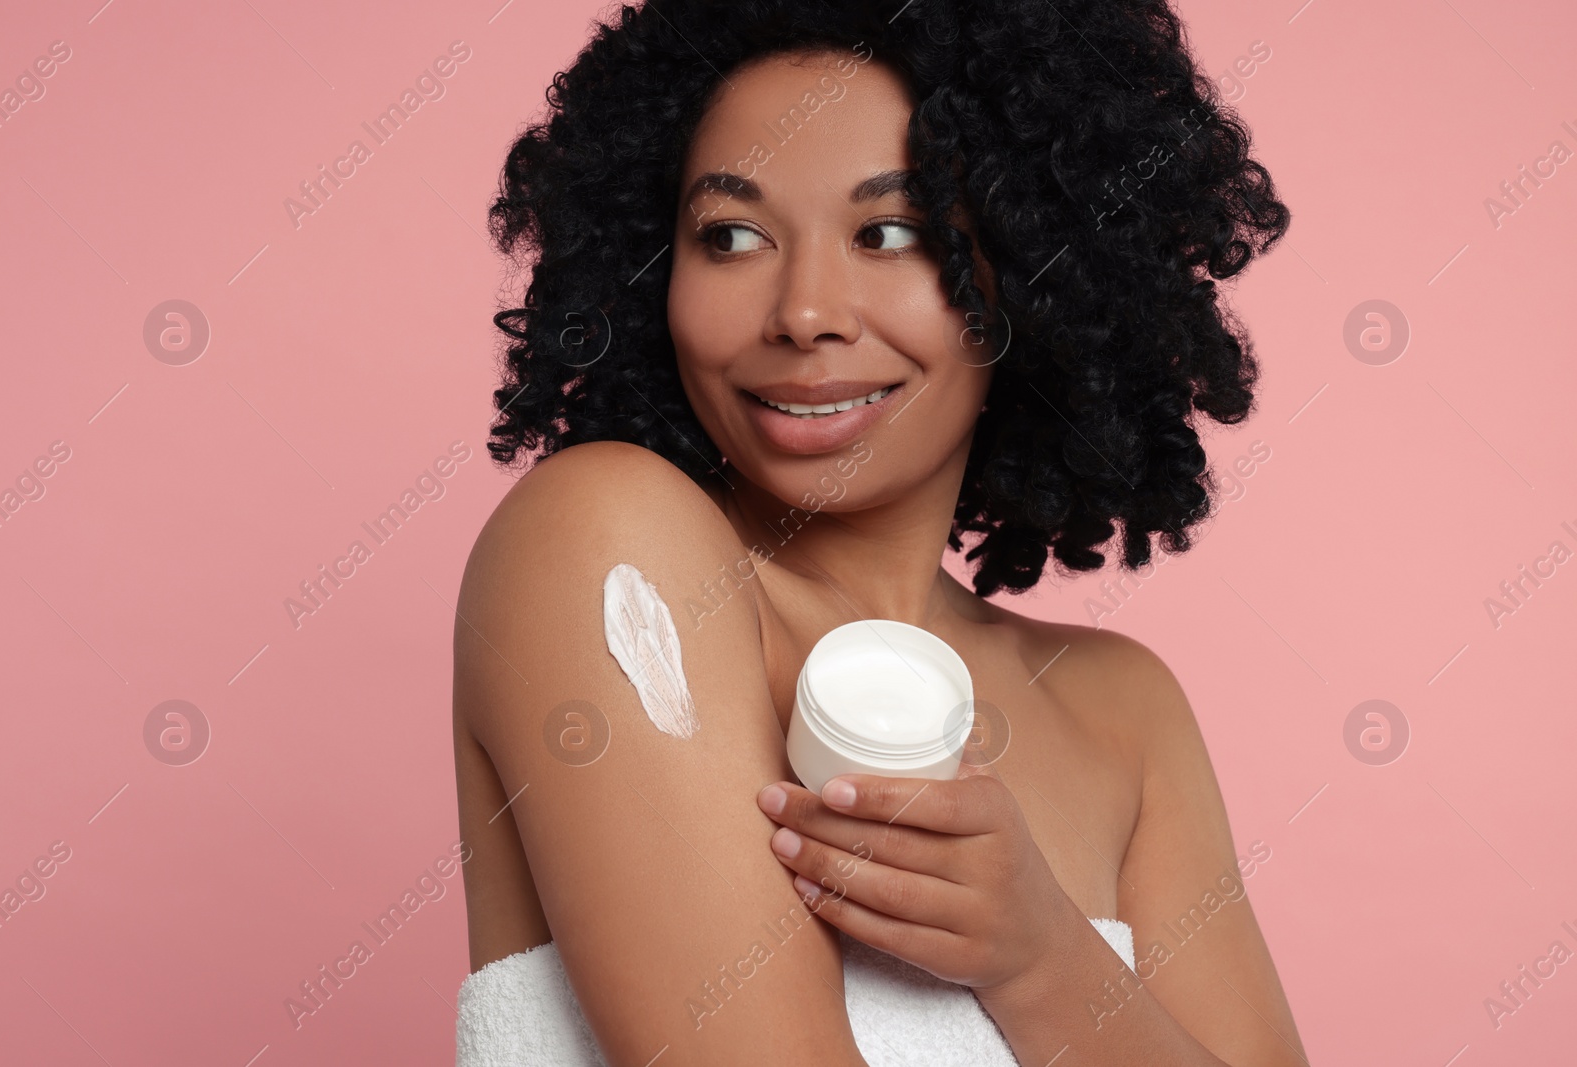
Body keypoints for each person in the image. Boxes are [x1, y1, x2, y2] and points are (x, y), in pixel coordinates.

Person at [451, 1, 1303, 1064]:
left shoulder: (1121, 714)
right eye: (731, 236)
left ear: (1032, 264)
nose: (804, 310)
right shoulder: (600, 546)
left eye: (889, 231)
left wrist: (1043, 959)